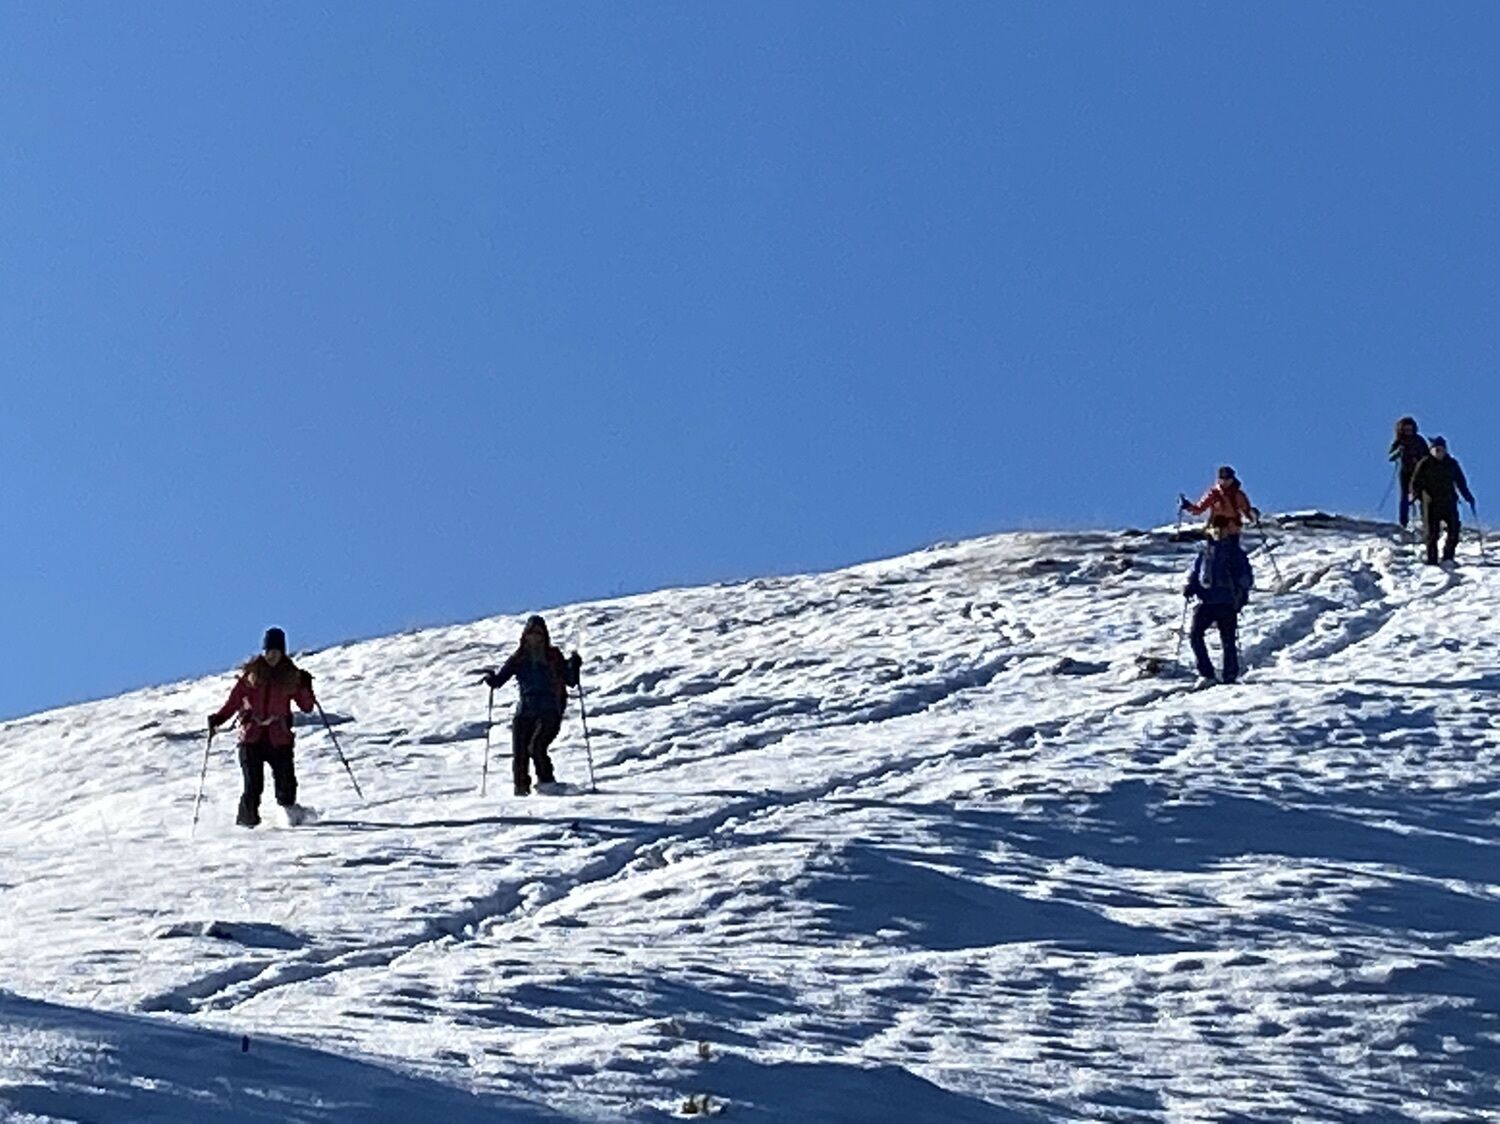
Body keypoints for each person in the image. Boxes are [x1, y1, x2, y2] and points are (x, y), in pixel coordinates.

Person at [208, 627, 316, 827]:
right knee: (252, 786)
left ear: (282, 652)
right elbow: (233, 702)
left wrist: (305, 686)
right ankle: (246, 826)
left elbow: (306, 707)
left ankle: (292, 820)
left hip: (279, 738)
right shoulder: (251, 675)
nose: (272, 656)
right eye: (269, 651)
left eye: (276, 651)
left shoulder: (291, 676)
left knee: (286, 786)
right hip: (251, 738)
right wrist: (218, 719)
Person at [481, 616, 582, 796]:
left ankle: (546, 782)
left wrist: (574, 666)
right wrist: (492, 679)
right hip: (526, 710)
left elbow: (570, 680)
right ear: (525, 636)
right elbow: (500, 680)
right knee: (520, 753)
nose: (535, 637)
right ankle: (522, 790)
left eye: (538, 633)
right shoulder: (519, 658)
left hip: (549, 710)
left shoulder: (551, 656)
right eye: (532, 633)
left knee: (536, 746)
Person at [1184, 515, 1255, 685]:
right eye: (1215, 528)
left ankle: (1228, 675)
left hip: (1226, 602)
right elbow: (1196, 574)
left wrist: (1239, 594)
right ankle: (1208, 673)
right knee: (1195, 636)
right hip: (1207, 601)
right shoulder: (1205, 553)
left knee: (1227, 640)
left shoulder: (1234, 553)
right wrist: (1191, 587)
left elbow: (1245, 577)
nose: (1218, 532)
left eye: (1221, 529)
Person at [1409, 436, 1475, 566]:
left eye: (1441, 449)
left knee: (1454, 530)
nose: (1439, 452)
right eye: (1436, 450)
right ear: (1431, 450)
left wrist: (1468, 497)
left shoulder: (1452, 463)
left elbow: (1460, 482)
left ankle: (1448, 557)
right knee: (1432, 534)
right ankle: (1432, 560)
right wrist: (1414, 495)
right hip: (1430, 503)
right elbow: (1415, 481)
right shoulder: (1425, 463)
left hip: (1449, 501)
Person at [1181, 466, 1260, 540]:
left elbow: (1246, 510)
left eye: (1227, 479)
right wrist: (1188, 506)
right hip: (1218, 530)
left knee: (1233, 548)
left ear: (1232, 479)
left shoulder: (1238, 495)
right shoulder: (1214, 494)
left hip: (1234, 530)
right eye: (1222, 479)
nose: (1225, 481)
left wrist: (1253, 517)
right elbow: (1199, 508)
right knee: (1218, 544)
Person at [1387, 416, 1430, 530]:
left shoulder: (1419, 440)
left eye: (1410, 429)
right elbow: (1390, 457)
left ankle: (1425, 521)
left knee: (1422, 496)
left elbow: (1428, 456)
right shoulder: (1399, 441)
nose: (1408, 432)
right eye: (1406, 430)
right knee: (1404, 497)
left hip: (1420, 473)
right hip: (1405, 472)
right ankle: (1403, 522)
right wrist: (1398, 451)